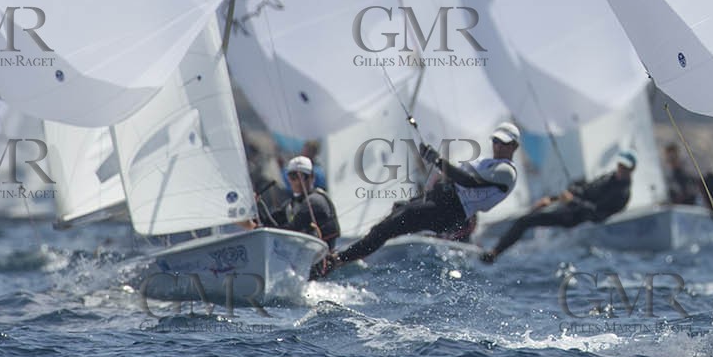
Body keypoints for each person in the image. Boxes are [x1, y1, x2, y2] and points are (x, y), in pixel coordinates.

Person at [314, 122, 521, 278]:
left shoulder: (506, 172)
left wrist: (437, 160)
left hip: (450, 209)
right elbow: (455, 177)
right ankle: (342, 257)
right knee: (393, 215)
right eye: (495, 141)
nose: (498, 146)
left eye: (503, 143)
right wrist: (433, 164)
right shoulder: (487, 162)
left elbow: (468, 181)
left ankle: (337, 260)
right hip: (439, 199)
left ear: (514, 146)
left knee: (389, 226)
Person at [480, 148, 636, 264]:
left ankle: (494, 253)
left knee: (525, 221)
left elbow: (597, 213)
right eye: (620, 165)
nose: (621, 169)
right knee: (528, 216)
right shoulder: (609, 177)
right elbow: (583, 191)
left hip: (574, 218)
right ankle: (492, 247)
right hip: (569, 209)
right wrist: (552, 199)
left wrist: (571, 201)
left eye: (626, 167)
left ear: (631, 169)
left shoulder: (622, 193)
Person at [265, 156, 340, 248]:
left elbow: (294, 228)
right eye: (293, 177)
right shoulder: (290, 205)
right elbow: (270, 221)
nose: (298, 182)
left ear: (312, 177)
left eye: (303, 177)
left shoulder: (316, 201)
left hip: (320, 254)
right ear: (288, 178)